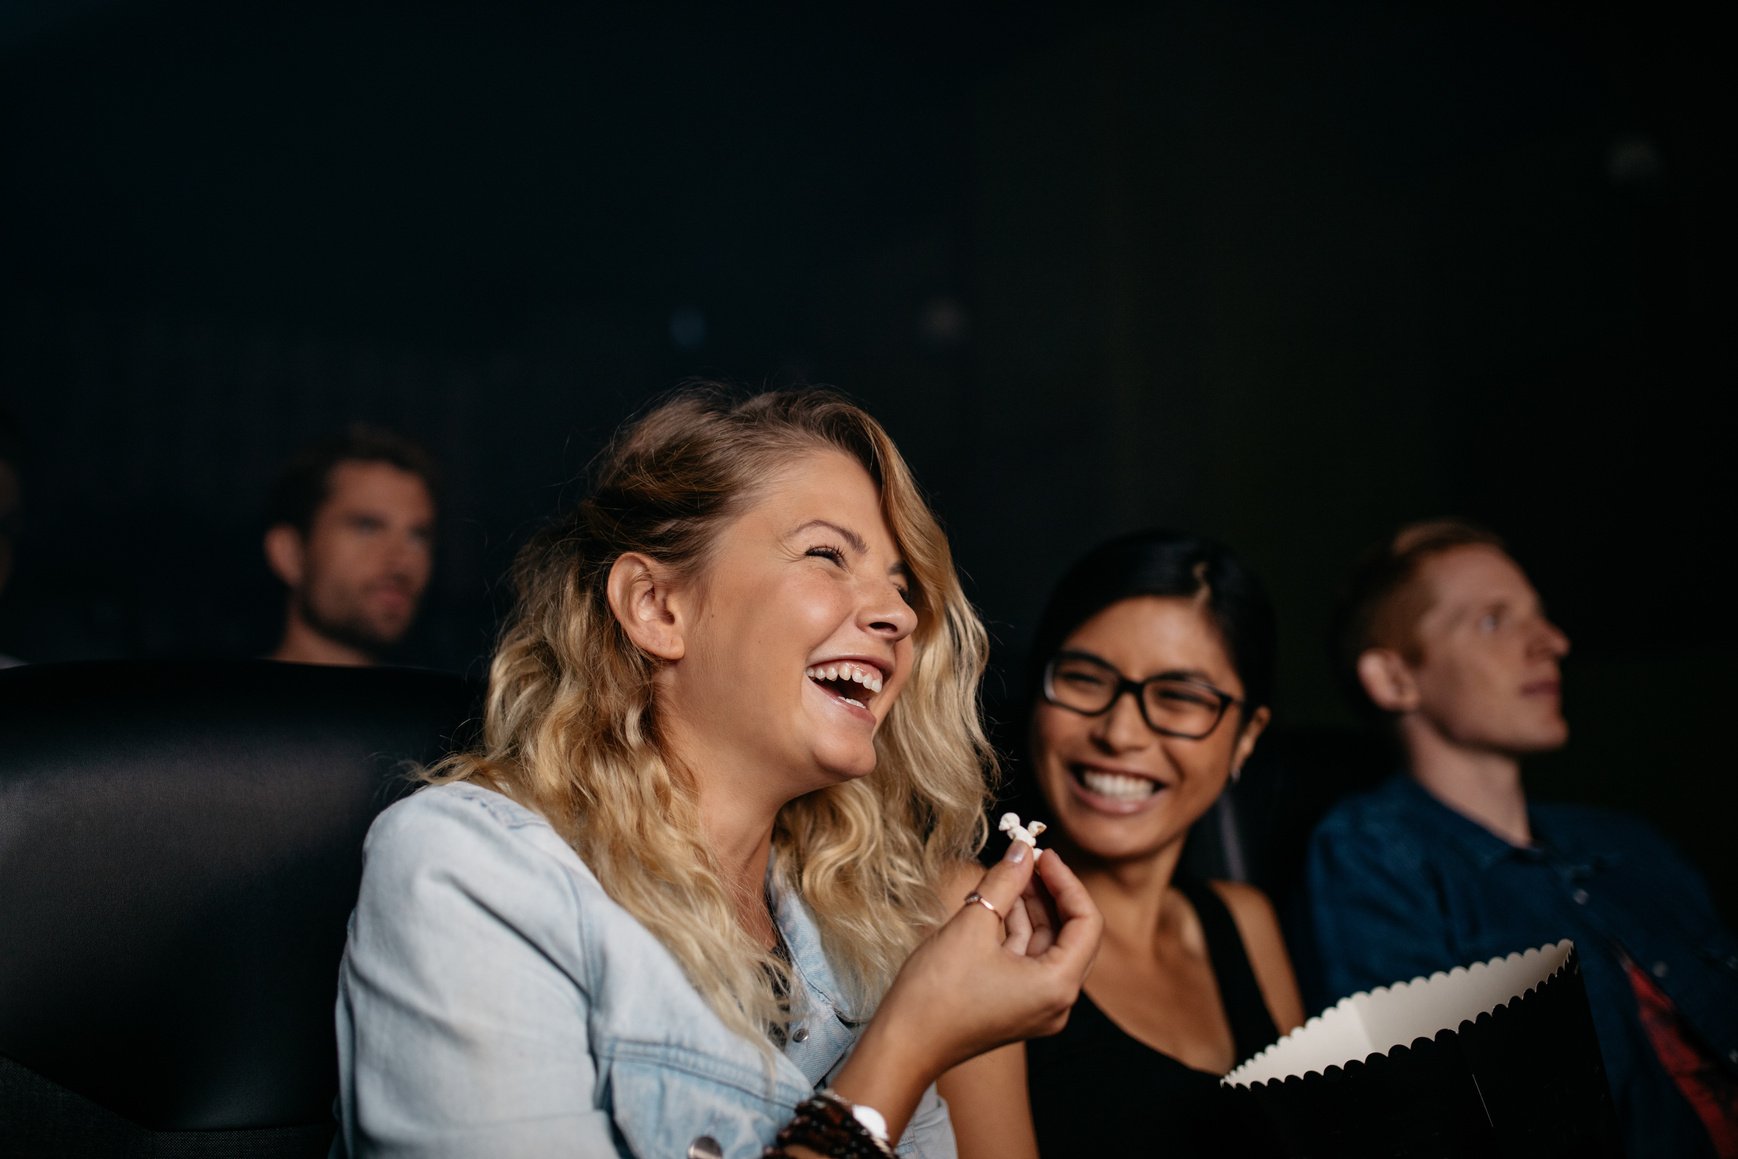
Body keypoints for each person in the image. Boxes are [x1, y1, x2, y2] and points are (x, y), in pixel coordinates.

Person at [332, 387, 1101, 1158]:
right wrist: (909, 1041)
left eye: (902, 586)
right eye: (827, 555)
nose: (899, 615)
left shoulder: (858, 940)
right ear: (656, 606)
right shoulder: (469, 871)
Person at [1306, 518, 1738, 1159]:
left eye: (1542, 618)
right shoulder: (1373, 855)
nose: (1552, 643)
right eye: (1492, 621)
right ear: (1395, 680)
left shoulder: (1627, 843)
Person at [946, 530, 1305, 1158]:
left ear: (1247, 735)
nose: (1119, 733)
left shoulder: (1246, 923)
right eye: (1086, 679)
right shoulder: (973, 924)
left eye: (1180, 697)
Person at [262, 424, 437, 666]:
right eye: (368, 527)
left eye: (418, 537)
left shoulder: (453, 702)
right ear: (290, 553)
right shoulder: (220, 700)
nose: (403, 561)